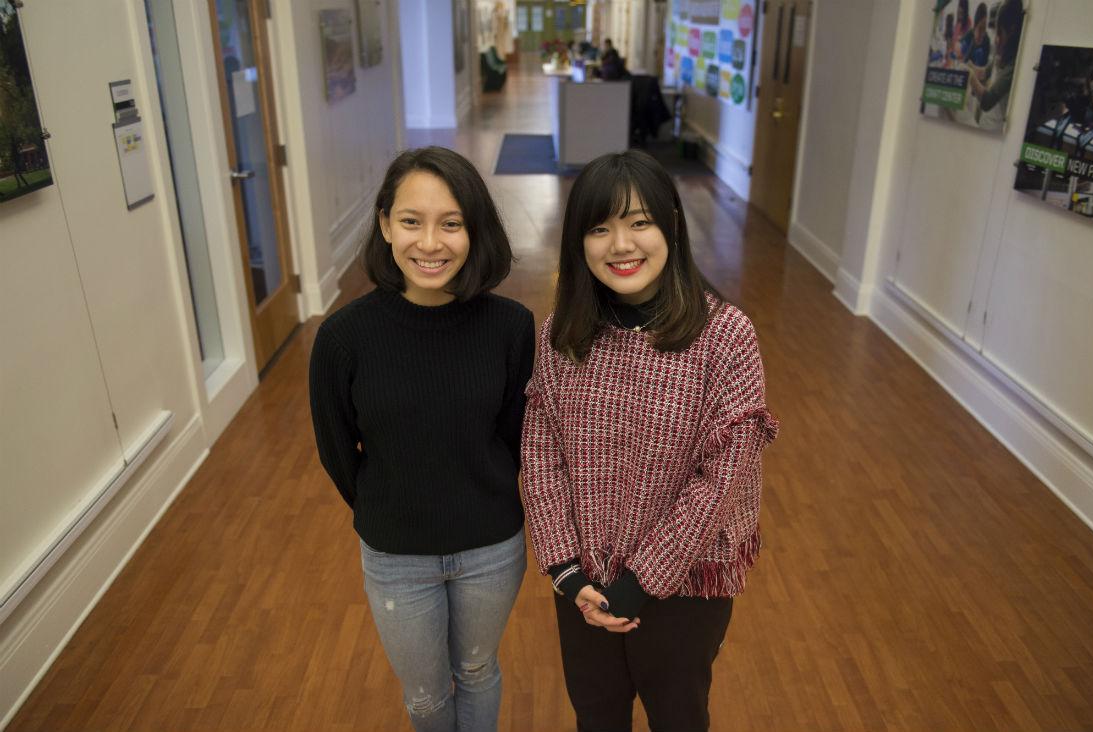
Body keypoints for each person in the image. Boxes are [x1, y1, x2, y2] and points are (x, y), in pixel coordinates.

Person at [521, 149, 778, 732]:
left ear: (672, 226)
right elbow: (540, 455)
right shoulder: (560, 335)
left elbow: (723, 479)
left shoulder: (726, 337)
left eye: (640, 222)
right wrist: (567, 571)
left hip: (684, 588)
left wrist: (639, 584)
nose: (621, 245)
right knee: (597, 717)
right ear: (577, 243)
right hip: (584, 583)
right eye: (600, 227)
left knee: (679, 717)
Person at [309, 146, 534, 732]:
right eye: (411, 221)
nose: (430, 243)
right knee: (429, 696)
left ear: (473, 231)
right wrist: (389, 513)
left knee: (479, 669)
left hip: (490, 548)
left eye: (451, 224)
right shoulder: (343, 338)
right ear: (385, 225)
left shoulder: (510, 327)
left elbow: (515, 435)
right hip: (396, 557)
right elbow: (338, 452)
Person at [968, 0, 1023, 130]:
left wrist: (970, 75)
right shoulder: (1000, 57)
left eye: (999, 32)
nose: (996, 39)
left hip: (996, 130)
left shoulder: (1013, 66)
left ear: (1012, 32)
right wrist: (970, 66)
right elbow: (984, 73)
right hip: (985, 123)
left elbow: (987, 101)